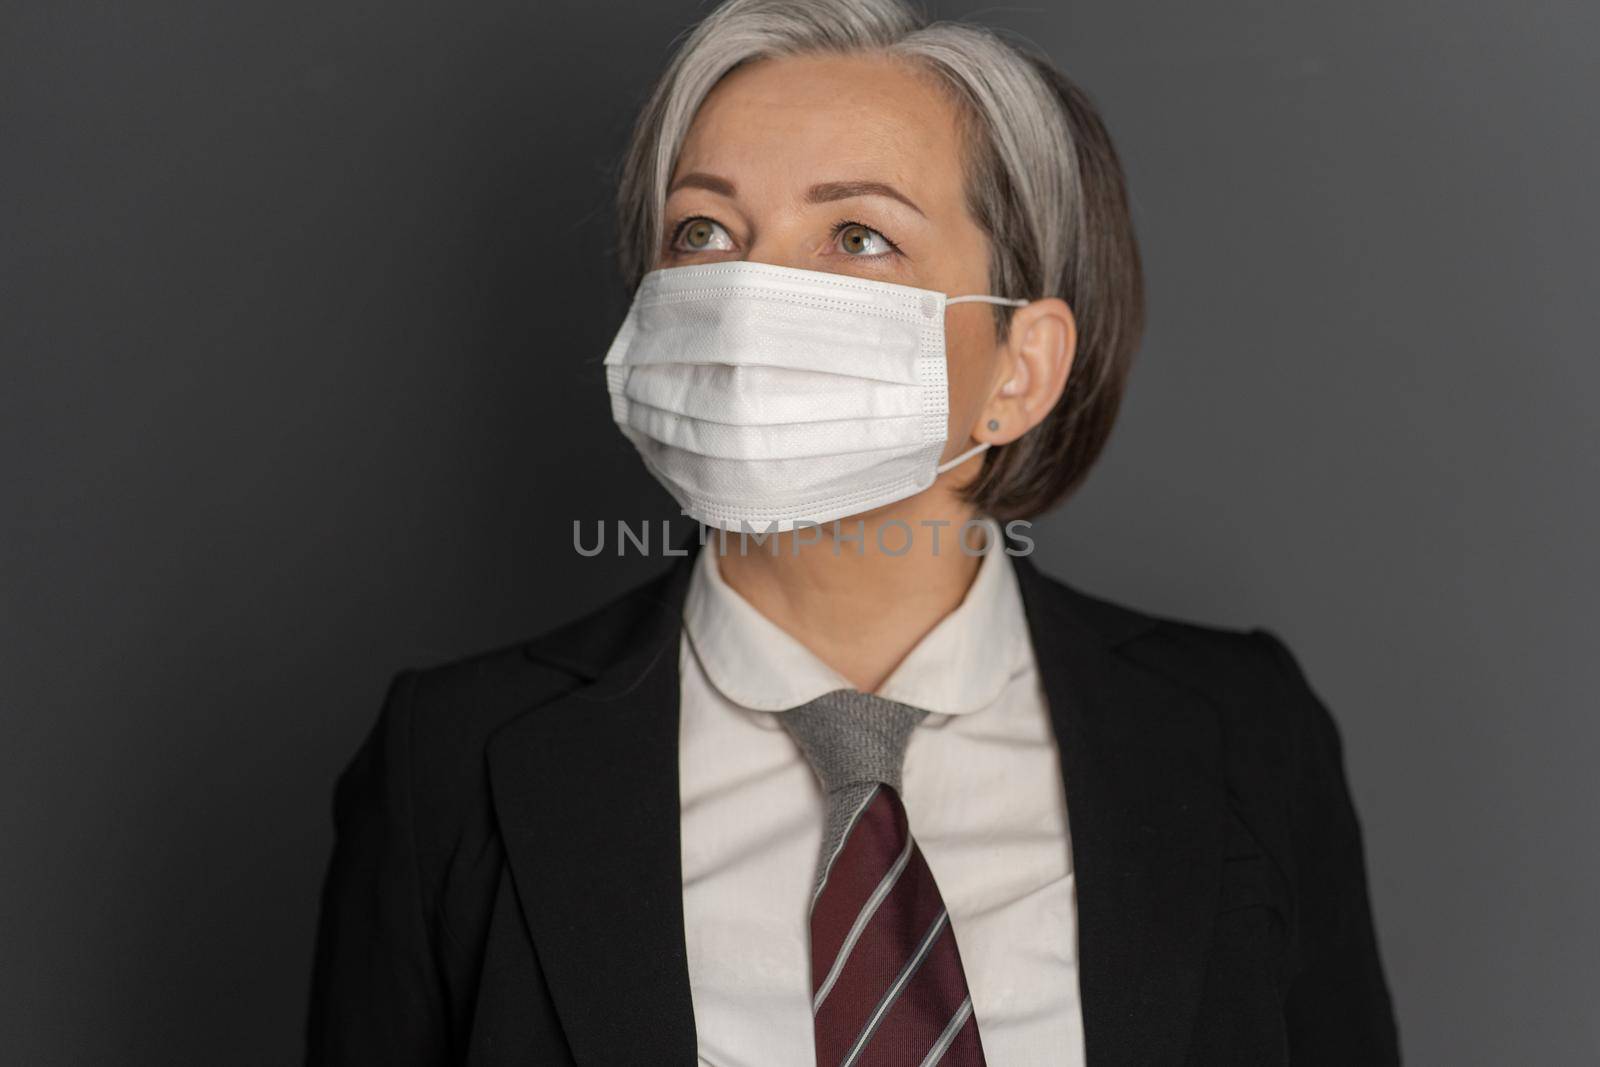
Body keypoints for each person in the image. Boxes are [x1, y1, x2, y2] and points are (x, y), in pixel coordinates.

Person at [305, 0, 1400, 1063]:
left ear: (1020, 368)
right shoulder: (450, 763)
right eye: (703, 231)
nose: (747, 293)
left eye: (857, 235)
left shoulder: (1240, 732)